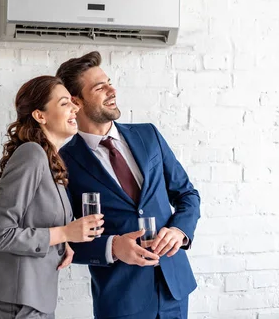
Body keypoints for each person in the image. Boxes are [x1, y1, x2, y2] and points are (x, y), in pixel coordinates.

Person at [55, 51, 201, 319]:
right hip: (120, 299)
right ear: (75, 102)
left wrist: (179, 230)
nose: (112, 90)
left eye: (109, 81)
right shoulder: (63, 162)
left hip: (174, 289)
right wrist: (113, 246)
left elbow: (187, 194)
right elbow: (61, 238)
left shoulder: (149, 135)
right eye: (100, 87)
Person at [0, 75, 105, 319]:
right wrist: (64, 233)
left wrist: (63, 242)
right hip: (19, 300)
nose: (75, 107)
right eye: (64, 103)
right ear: (40, 115)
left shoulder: (50, 161)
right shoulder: (31, 154)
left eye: (73, 102)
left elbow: (36, 221)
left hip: (35, 298)